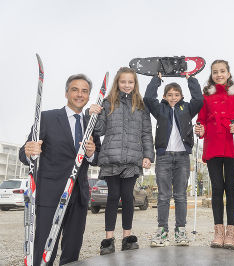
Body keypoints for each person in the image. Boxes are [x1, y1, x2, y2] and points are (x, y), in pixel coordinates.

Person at [19, 74, 101, 266]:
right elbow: (25, 154)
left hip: (78, 197)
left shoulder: (91, 123)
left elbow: (96, 159)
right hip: (50, 196)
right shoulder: (47, 118)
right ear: (66, 93)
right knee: (44, 251)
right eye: (75, 90)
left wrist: (91, 153)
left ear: (88, 96)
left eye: (84, 91)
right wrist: (29, 151)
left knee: (72, 252)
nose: (79, 94)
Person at [89, 67, 154, 255]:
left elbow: (146, 133)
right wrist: (92, 113)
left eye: (130, 82)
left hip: (132, 159)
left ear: (135, 84)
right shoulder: (108, 102)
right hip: (111, 157)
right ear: (117, 83)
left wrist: (148, 155)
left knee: (127, 197)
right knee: (112, 197)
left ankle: (127, 237)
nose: (127, 85)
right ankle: (108, 240)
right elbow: (98, 130)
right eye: (123, 81)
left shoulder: (141, 106)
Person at [195, 59, 234, 250]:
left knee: (231, 189)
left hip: (232, 145)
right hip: (213, 146)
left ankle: (231, 233)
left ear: (228, 73)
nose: (219, 75)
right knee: (217, 189)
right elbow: (201, 119)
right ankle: (218, 232)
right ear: (211, 74)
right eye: (215, 72)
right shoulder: (206, 96)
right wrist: (200, 129)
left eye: (222, 71)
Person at [143, 72, 203, 247]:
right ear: (164, 96)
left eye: (176, 95)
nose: (173, 98)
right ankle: (162, 230)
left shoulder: (187, 109)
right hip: (163, 156)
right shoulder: (159, 109)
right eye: (169, 95)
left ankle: (180, 230)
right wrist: (157, 80)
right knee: (163, 196)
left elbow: (199, 99)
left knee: (180, 196)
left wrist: (190, 80)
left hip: (182, 157)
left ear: (182, 96)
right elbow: (148, 97)